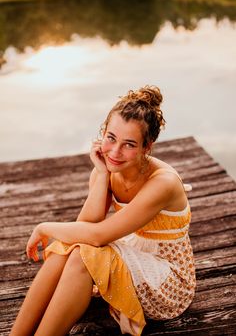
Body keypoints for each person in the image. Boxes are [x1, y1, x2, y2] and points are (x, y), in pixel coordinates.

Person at [10, 85, 196, 336]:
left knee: (82, 255)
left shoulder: (163, 183)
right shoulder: (108, 167)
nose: (116, 152)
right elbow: (87, 223)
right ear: (102, 134)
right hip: (134, 251)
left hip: (167, 279)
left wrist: (44, 227)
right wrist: (101, 175)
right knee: (70, 247)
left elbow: (97, 235)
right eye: (111, 138)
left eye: (129, 144)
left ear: (147, 147)